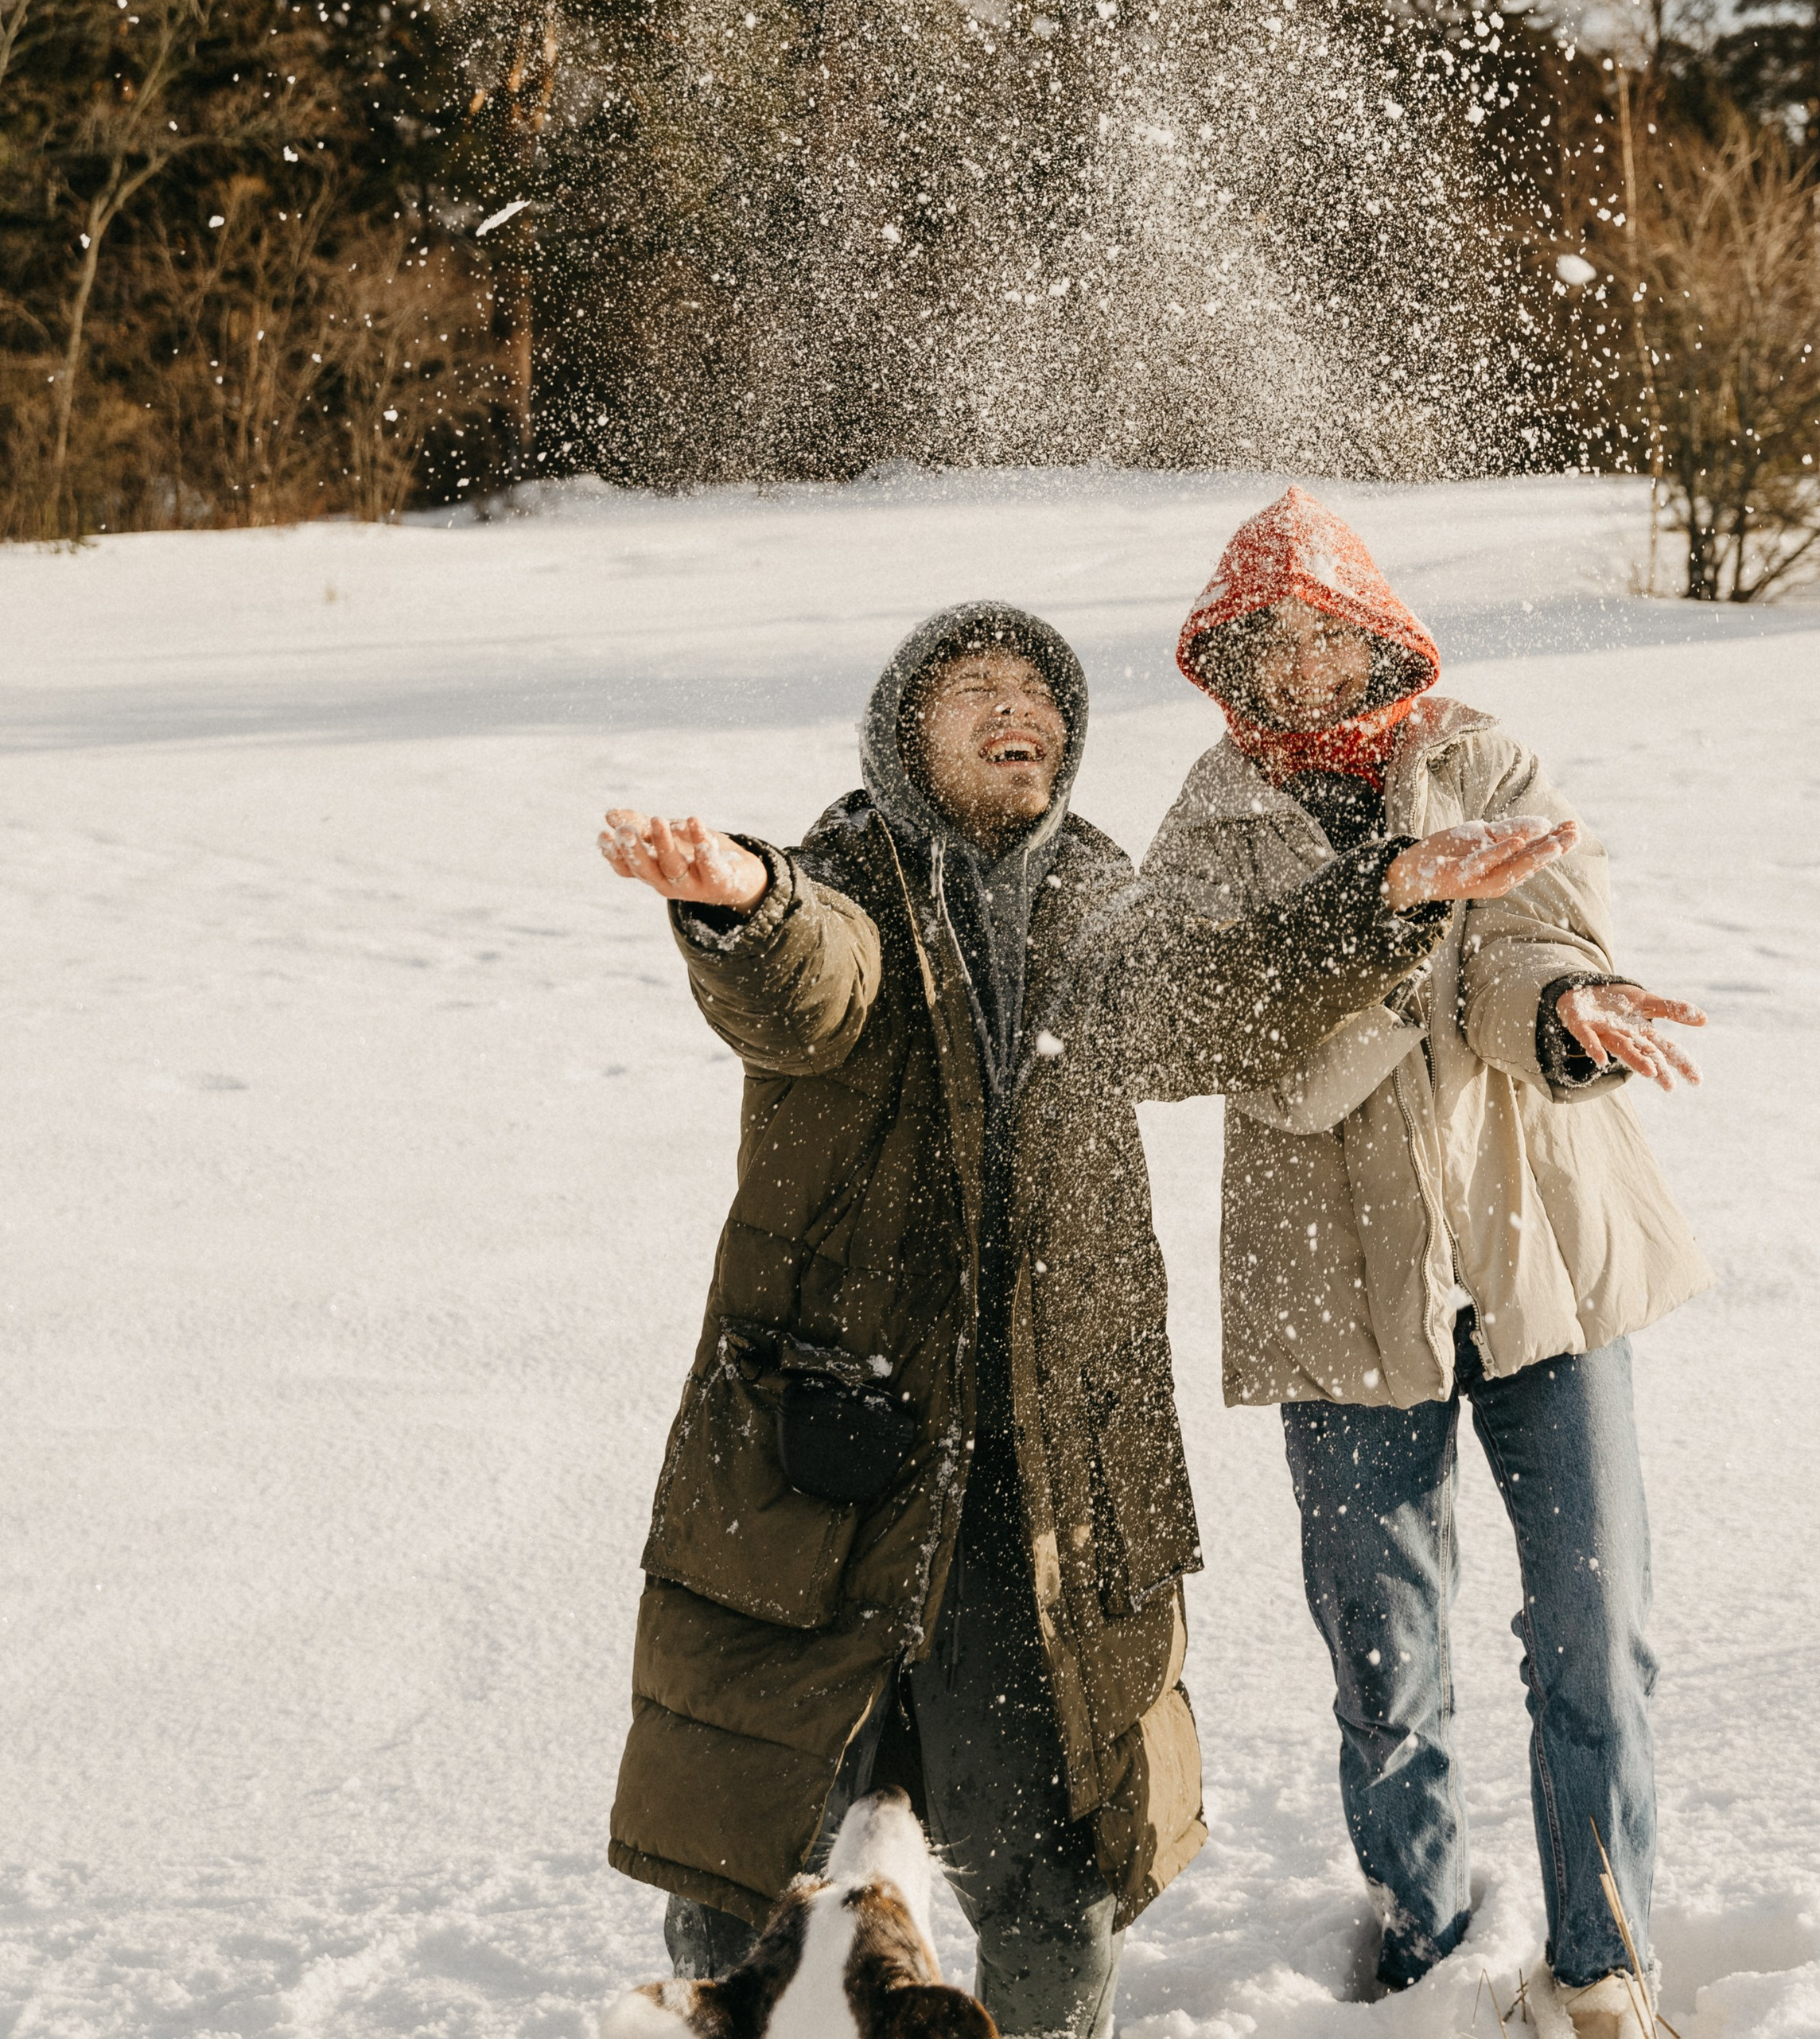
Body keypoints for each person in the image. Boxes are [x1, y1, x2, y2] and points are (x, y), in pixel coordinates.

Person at [597, 598, 1577, 2039]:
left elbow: (1214, 1002)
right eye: (977, 688)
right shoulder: (845, 873)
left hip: (1044, 1477)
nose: (1022, 709)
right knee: (755, 1855)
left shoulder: (1102, 893)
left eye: (1042, 692)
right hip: (830, 1450)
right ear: (902, 737)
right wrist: (747, 906)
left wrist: (1380, 902)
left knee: (1055, 1875)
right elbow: (816, 986)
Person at [1136, 491, 1711, 2039]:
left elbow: (1533, 947)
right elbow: (1227, 1050)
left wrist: (1560, 1013)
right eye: (1272, 643)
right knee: (1383, 1665)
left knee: (1595, 1637)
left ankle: (1597, 1965)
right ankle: (1424, 1942)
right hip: (1334, 1298)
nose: (1307, 668)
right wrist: (1397, 926)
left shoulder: (1480, 760)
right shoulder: (1205, 821)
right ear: (1229, 660)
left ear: (1380, 630)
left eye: (1332, 634)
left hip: (1538, 1264)